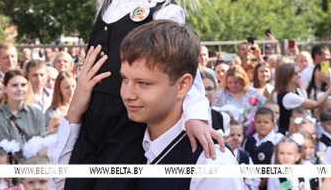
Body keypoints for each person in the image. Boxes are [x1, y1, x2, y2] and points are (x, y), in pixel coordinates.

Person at [59, 0, 219, 190]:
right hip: (90, 125)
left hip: (126, 130)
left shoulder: (165, 11)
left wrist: (197, 116)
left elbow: (185, 73)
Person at [52, 21, 243, 190]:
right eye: (125, 79)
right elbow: (63, 181)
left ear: (183, 85)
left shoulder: (210, 164)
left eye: (143, 84)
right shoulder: (128, 144)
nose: (128, 94)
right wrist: (75, 111)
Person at [274, 63, 331, 134]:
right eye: (296, 73)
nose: (299, 75)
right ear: (287, 76)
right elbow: (316, 104)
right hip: (289, 133)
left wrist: (328, 83)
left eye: (299, 72)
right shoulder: (288, 96)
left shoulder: (298, 90)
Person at [0, 69, 46, 144]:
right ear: (5, 89)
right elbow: (3, 149)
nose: (20, 89)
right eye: (14, 85)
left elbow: (43, 143)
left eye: (23, 85)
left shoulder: (36, 113)